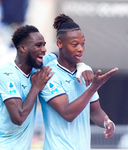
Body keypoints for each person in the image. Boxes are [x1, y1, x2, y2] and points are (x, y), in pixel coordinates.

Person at [0, 24, 94, 150]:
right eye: (38, 45)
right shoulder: (7, 74)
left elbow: (64, 55)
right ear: (23, 48)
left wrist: (82, 67)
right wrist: (35, 87)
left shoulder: (39, 63)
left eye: (44, 44)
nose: (44, 49)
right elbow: (18, 118)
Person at [38, 14, 118, 150]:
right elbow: (67, 113)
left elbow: (95, 111)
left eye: (83, 44)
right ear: (59, 43)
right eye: (75, 44)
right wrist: (94, 87)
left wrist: (108, 123)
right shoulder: (49, 74)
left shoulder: (85, 71)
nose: (81, 48)